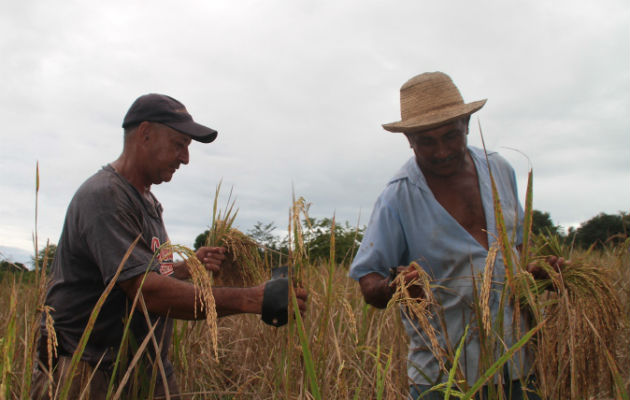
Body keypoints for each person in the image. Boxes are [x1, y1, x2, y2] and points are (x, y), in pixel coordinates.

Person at [31, 93, 307, 399]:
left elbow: (144, 275)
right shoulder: (106, 198)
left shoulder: (147, 202)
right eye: (179, 144)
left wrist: (189, 267)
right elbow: (146, 292)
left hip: (143, 367)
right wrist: (250, 300)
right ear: (145, 134)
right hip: (90, 372)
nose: (186, 158)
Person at [348, 72, 542, 399]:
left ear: (466, 124)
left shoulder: (501, 171)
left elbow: (519, 255)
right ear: (409, 139)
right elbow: (369, 282)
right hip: (443, 378)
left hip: (519, 365)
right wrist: (396, 288)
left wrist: (538, 276)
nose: (441, 152)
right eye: (426, 141)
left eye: (450, 136)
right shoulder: (398, 198)